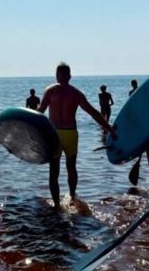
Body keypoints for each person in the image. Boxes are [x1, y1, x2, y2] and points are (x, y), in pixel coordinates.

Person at [38, 62, 112, 207]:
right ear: (70, 76)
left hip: (55, 134)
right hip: (71, 133)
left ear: (57, 75)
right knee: (71, 167)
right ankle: (72, 197)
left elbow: (40, 111)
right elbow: (93, 113)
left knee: (54, 170)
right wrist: (109, 128)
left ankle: (57, 206)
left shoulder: (50, 91)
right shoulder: (76, 93)